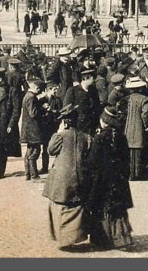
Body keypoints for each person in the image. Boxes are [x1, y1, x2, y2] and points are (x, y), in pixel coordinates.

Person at [43, 102, 93, 250]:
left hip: (61, 179)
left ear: (64, 122)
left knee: (59, 205)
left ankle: (62, 238)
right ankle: (74, 237)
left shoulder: (59, 136)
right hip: (80, 178)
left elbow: (50, 151)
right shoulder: (86, 137)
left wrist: (58, 132)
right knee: (77, 207)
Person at [87, 107, 135, 250]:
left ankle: (103, 240)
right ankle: (122, 239)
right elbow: (126, 159)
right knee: (118, 209)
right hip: (118, 179)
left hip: (102, 180)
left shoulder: (99, 138)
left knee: (102, 208)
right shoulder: (121, 136)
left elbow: (92, 161)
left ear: (103, 122)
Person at [122, 76, 148, 181]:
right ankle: (138, 173)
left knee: (130, 150)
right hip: (139, 126)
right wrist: (147, 126)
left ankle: (130, 174)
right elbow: (145, 115)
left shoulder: (127, 98)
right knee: (138, 149)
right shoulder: (145, 99)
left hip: (129, 126)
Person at [21, 79, 49, 181]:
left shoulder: (28, 96)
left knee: (29, 151)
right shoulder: (31, 98)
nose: (41, 92)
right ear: (36, 88)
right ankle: (34, 176)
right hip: (33, 129)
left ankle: (28, 174)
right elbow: (33, 113)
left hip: (28, 129)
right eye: (40, 90)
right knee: (35, 151)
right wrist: (43, 109)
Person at [64, 69, 101, 135]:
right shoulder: (73, 91)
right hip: (78, 128)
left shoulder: (94, 91)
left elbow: (97, 109)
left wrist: (98, 125)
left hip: (91, 128)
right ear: (84, 78)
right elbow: (67, 110)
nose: (93, 79)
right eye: (91, 77)